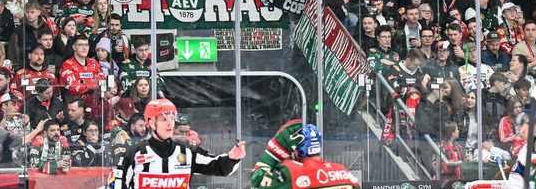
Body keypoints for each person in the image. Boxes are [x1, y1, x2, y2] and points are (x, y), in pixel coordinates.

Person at [113, 98, 245, 189]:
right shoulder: (135, 153)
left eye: (172, 117)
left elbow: (217, 166)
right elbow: (119, 184)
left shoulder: (187, 151)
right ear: (152, 123)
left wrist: (232, 158)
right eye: (164, 119)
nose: (170, 123)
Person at [253, 124, 358, 189]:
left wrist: (274, 153)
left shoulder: (292, 171)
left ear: (297, 151)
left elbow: (258, 179)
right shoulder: (342, 171)